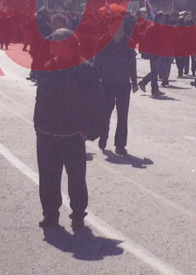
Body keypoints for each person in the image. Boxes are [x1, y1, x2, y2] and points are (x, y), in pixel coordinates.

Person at [32, 30, 102, 232]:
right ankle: (50, 214)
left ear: (71, 46)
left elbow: (96, 104)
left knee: (76, 179)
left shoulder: (85, 70)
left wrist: (89, 131)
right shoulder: (47, 67)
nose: (54, 47)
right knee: (48, 178)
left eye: (59, 44)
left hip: (72, 136)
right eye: (53, 44)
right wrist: (38, 125)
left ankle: (78, 214)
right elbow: (40, 99)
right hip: (47, 135)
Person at [93, 15, 138, 155]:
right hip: (107, 84)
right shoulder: (103, 41)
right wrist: (95, 82)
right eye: (116, 25)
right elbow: (97, 64)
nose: (119, 28)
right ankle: (103, 136)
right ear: (110, 27)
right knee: (105, 113)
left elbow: (132, 64)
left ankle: (120, 145)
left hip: (124, 84)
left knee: (122, 116)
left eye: (121, 26)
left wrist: (135, 81)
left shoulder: (128, 42)